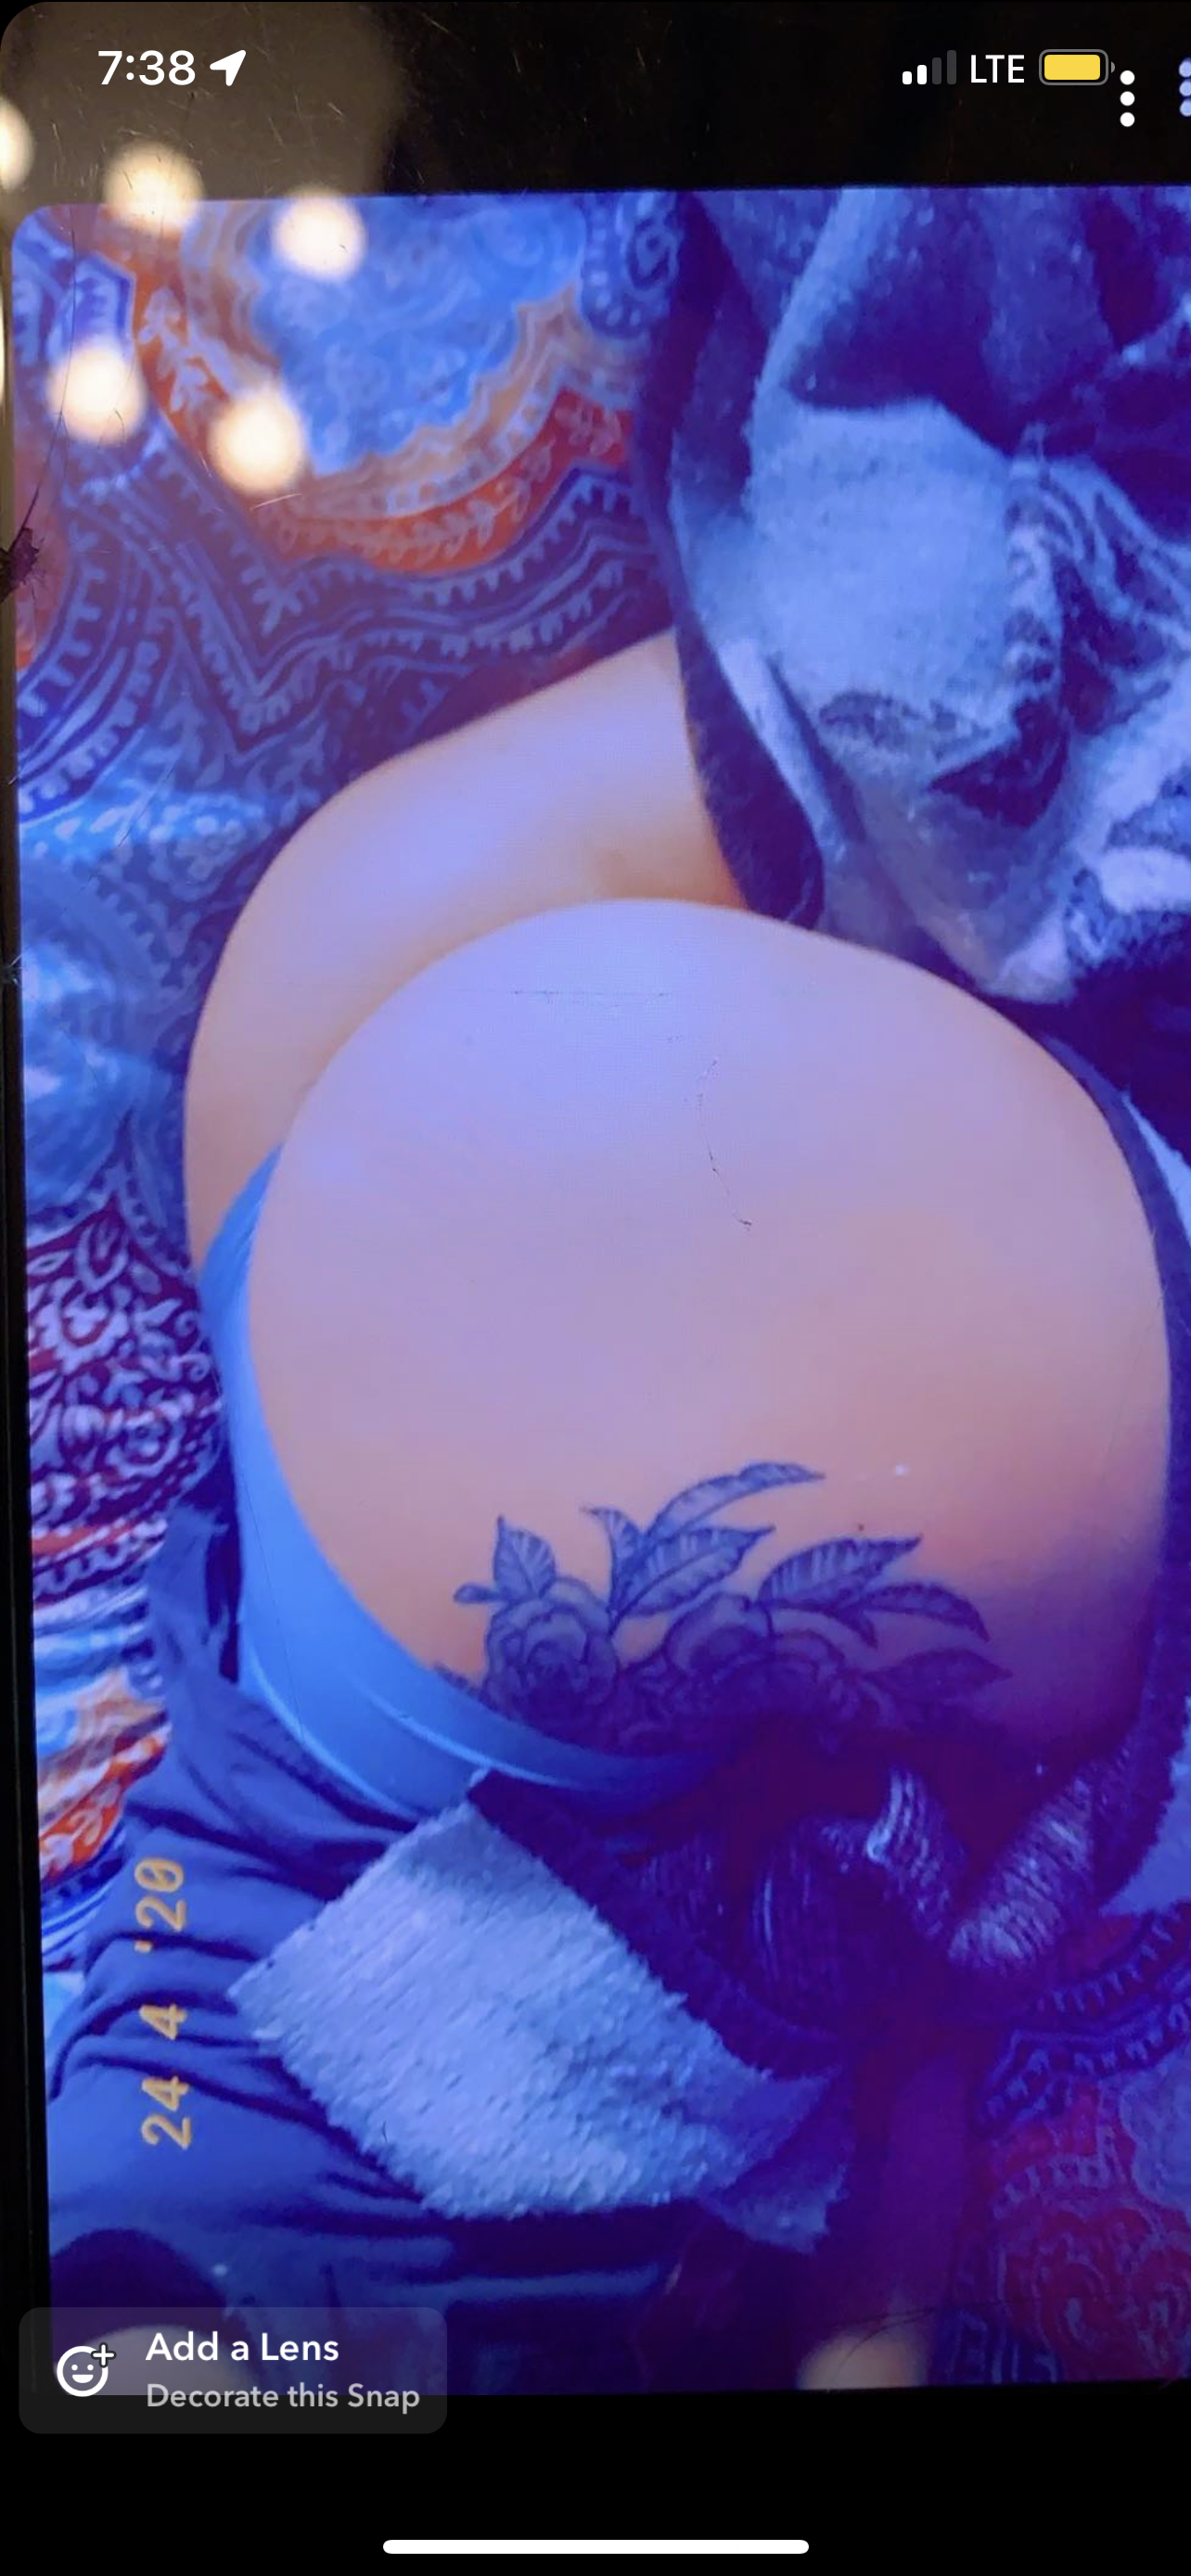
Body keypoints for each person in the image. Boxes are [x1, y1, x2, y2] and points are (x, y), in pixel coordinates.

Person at [45, 630, 1172, 2391]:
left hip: (499, 1596)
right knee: (1003, 663)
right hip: (297, 1152)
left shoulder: (163, 2360)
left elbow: (141, 2367)